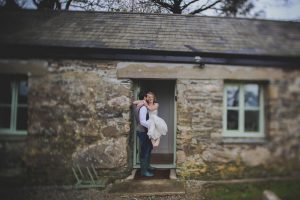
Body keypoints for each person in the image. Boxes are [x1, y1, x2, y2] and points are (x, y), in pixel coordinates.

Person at [134, 91, 154, 177]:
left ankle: (147, 166)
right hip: (143, 131)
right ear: (145, 98)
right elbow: (142, 121)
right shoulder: (143, 108)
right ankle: (144, 171)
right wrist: (152, 125)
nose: (149, 99)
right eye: (148, 97)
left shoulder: (138, 105)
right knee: (145, 150)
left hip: (143, 131)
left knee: (149, 148)